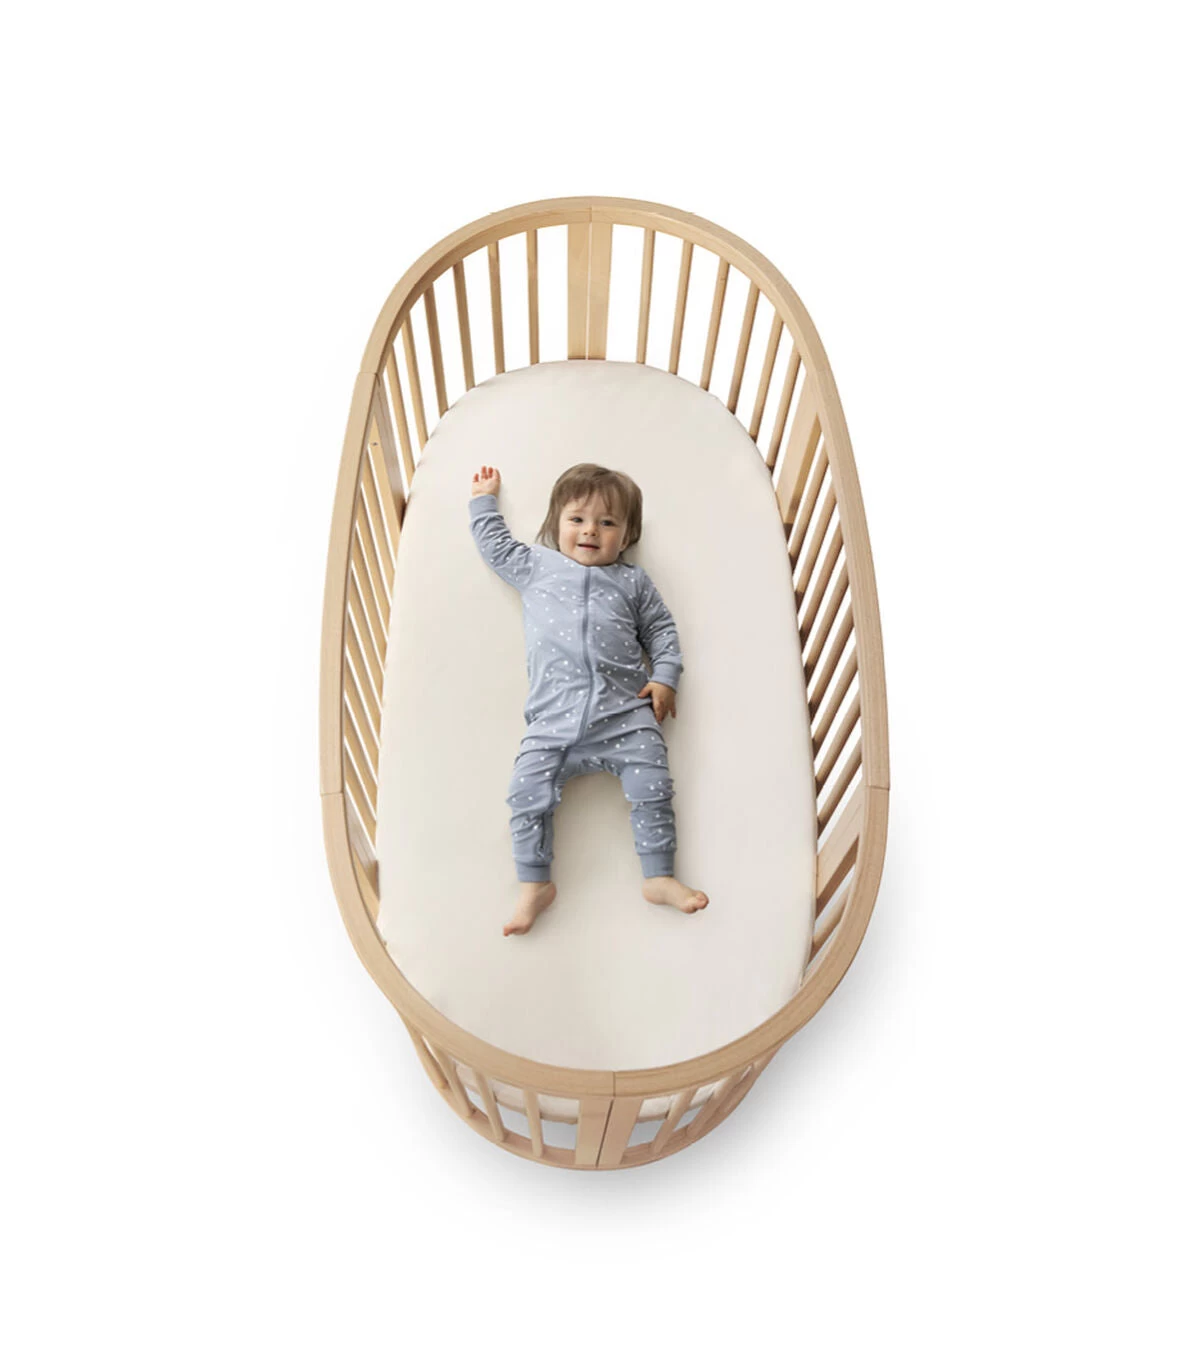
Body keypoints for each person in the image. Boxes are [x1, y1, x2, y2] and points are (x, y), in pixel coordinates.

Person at [468, 461, 709, 936]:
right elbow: (495, 547)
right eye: (576, 519)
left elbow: (661, 631)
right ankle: (535, 883)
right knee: (525, 794)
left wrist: (665, 677)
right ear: (555, 524)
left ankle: (658, 875)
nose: (590, 531)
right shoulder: (536, 565)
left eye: (607, 522)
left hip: (626, 713)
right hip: (553, 718)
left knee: (654, 787)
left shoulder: (633, 582)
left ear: (628, 534)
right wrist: (483, 502)